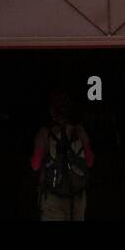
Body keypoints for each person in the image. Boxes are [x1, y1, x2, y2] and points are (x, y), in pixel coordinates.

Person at [31, 92, 94, 221]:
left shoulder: (45, 133)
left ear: (52, 112)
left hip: (52, 199)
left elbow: (35, 165)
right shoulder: (80, 131)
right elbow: (89, 162)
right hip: (77, 198)